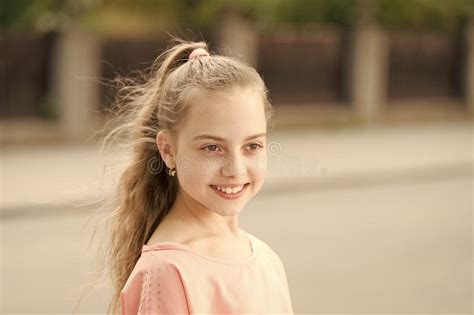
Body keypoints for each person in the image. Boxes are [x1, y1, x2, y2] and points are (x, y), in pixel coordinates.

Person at [102, 37, 294, 314]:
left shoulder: (265, 257)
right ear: (168, 150)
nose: (235, 169)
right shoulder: (168, 272)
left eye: (252, 146)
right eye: (212, 147)